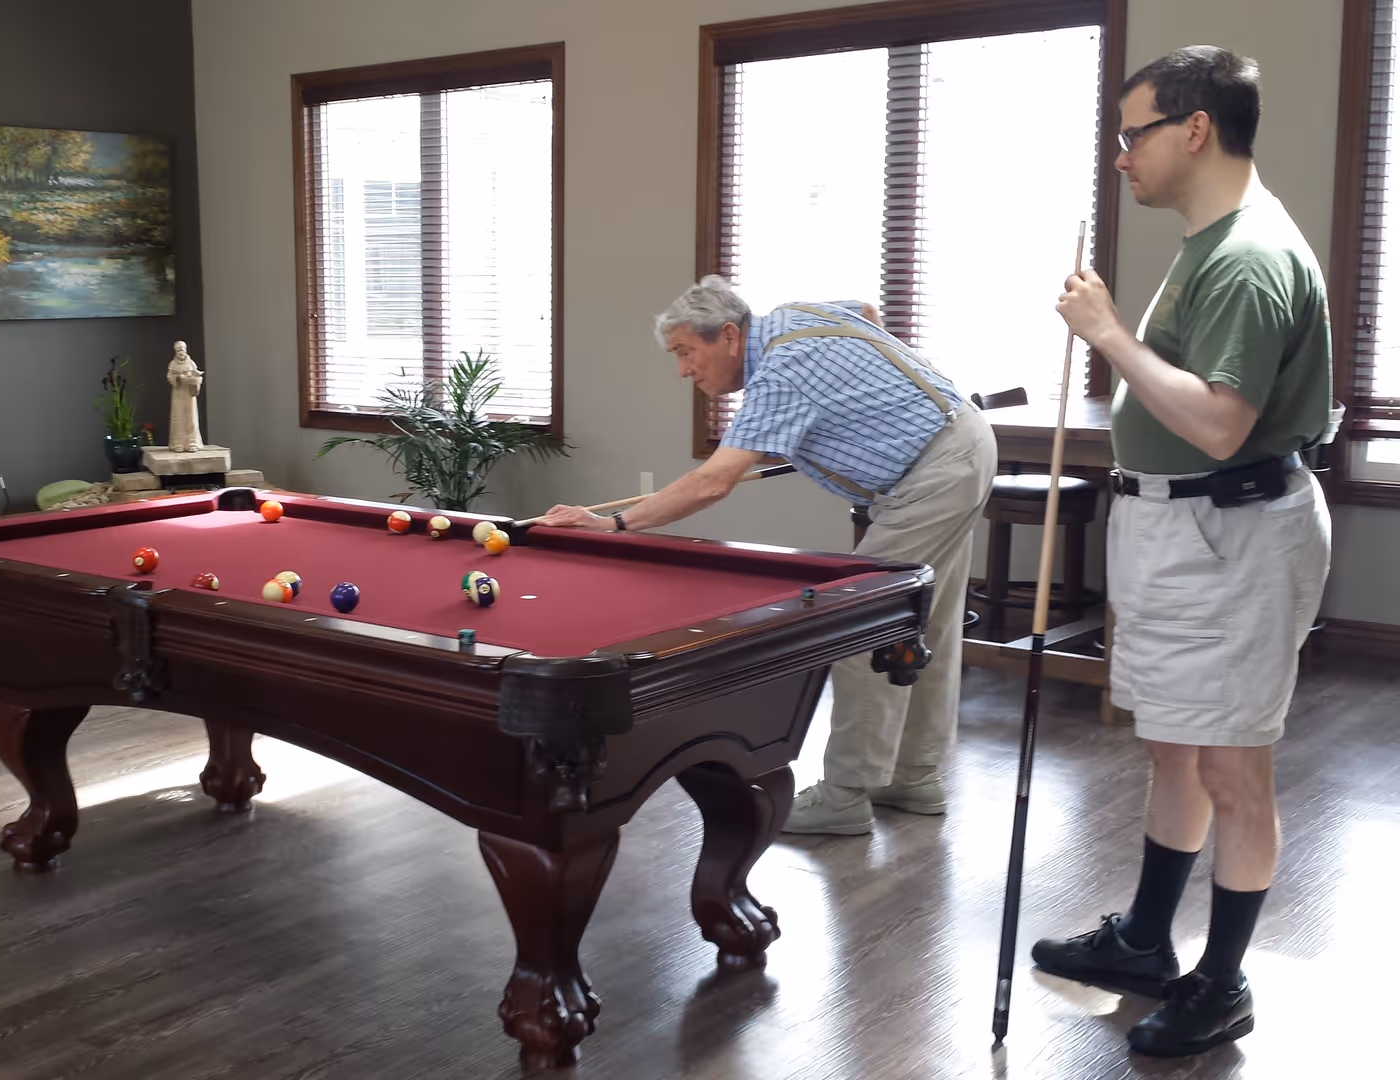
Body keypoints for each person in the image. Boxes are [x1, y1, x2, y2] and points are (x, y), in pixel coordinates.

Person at [1031, 46, 1333, 1058]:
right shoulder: (1207, 242)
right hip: (1180, 529)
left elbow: (1216, 424)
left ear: (1193, 129)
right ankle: (1149, 942)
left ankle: (1223, 981)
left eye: (1134, 134)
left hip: (1231, 532)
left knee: (1232, 764)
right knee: (1175, 744)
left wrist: (1107, 334)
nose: (1122, 157)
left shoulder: (1248, 256)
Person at [536, 276, 997, 836]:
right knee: (923, 624)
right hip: (961, 443)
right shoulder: (796, 315)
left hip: (935, 471)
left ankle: (847, 794)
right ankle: (913, 775)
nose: (683, 369)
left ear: (728, 335)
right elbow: (866, 311)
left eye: (687, 352)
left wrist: (611, 524)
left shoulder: (778, 375)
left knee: (864, 629)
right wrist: (863, 401)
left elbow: (712, 483)